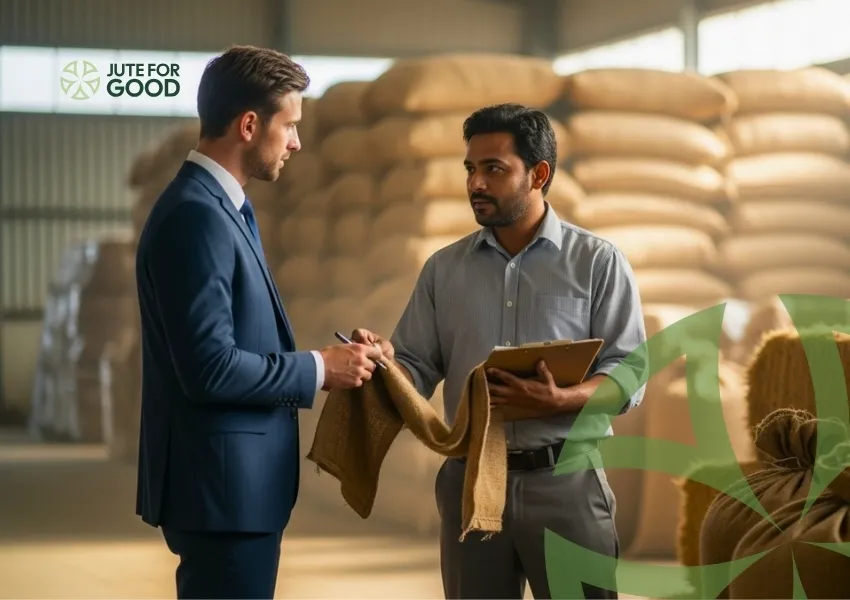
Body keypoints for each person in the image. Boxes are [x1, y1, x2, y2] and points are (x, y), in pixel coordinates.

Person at [352, 103, 647, 600]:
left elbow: (629, 371)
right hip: (469, 484)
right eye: (470, 169)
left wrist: (563, 400)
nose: (476, 184)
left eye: (494, 169)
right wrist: (385, 361)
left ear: (539, 174)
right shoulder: (444, 271)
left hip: (566, 483)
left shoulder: (597, 263)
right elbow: (418, 367)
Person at [134, 45, 384, 600]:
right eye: (289, 125)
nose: (296, 142)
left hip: (234, 492)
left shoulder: (223, 209)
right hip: (222, 497)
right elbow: (210, 369)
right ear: (250, 124)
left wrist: (337, 358)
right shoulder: (197, 217)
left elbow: (237, 338)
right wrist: (321, 368)